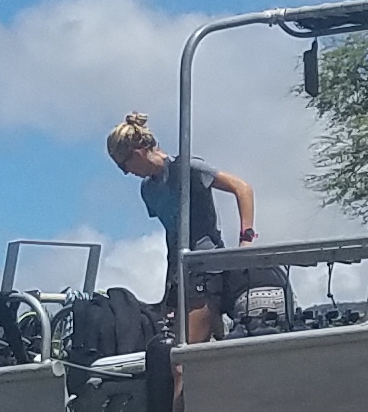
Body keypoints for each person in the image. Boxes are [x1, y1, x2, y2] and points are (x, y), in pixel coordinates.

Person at [107, 111, 257, 343]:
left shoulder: (187, 168)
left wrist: (246, 239)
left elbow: (242, 188)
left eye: (123, 165)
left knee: (184, 351)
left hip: (206, 267)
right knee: (179, 343)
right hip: (179, 273)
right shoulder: (148, 190)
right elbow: (172, 234)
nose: (126, 173)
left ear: (137, 152)